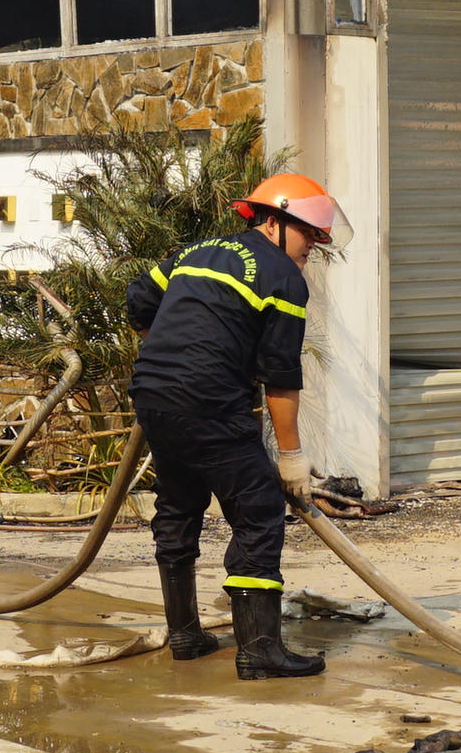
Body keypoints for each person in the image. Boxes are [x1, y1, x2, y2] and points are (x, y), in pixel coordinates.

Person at [126, 170, 342, 683]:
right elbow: (280, 378)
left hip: (153, 396)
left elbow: (139, 300)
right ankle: (260, 651)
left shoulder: (197, 252)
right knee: (259, 512)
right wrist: (290, 457)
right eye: (308, 232)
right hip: (210, 404)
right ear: (273, 222)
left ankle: (184, 635)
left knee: (179, 506)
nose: (313, 244)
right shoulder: (282, 278)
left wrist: (172, 353)